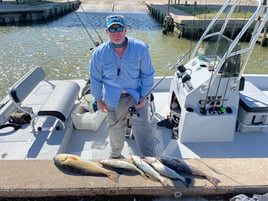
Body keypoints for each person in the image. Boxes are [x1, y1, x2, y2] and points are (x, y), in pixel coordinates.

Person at [89, 15, 156, 158]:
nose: (116, 32)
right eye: (112, 29)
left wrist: (144, 96)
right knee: (115, 128)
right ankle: (115, 156)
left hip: (137, 95)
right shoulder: (98, 53)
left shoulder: (140, 48)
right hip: (113, 98)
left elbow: (148, 74)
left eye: (119, 28)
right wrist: (98, 99)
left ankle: (150, 158)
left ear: (125, 30)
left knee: (143, 127)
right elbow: (95, 79)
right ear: (106, 32)